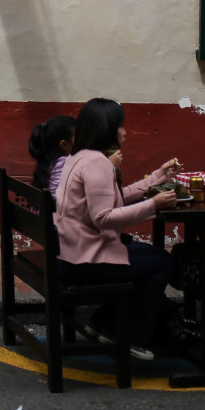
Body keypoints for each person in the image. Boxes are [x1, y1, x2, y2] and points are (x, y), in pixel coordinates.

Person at [53, 97, 180, 361]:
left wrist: (157, 176)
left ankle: (102, 323)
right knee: (162, 262)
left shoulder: (79, 158)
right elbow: (104, 218)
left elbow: (115, 197)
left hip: (71, 251)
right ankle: (131, 337)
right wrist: (152, 206)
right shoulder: (98, 164)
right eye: (121, 126)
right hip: (84, 261)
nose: (125, 132)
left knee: (145, 256)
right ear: (107, 129)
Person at [28, 114, 77, 198]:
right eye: (77, 137)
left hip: (41, 210)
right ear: (64, 145)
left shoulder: (47, 160)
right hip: (55, 210)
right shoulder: (65, 163)